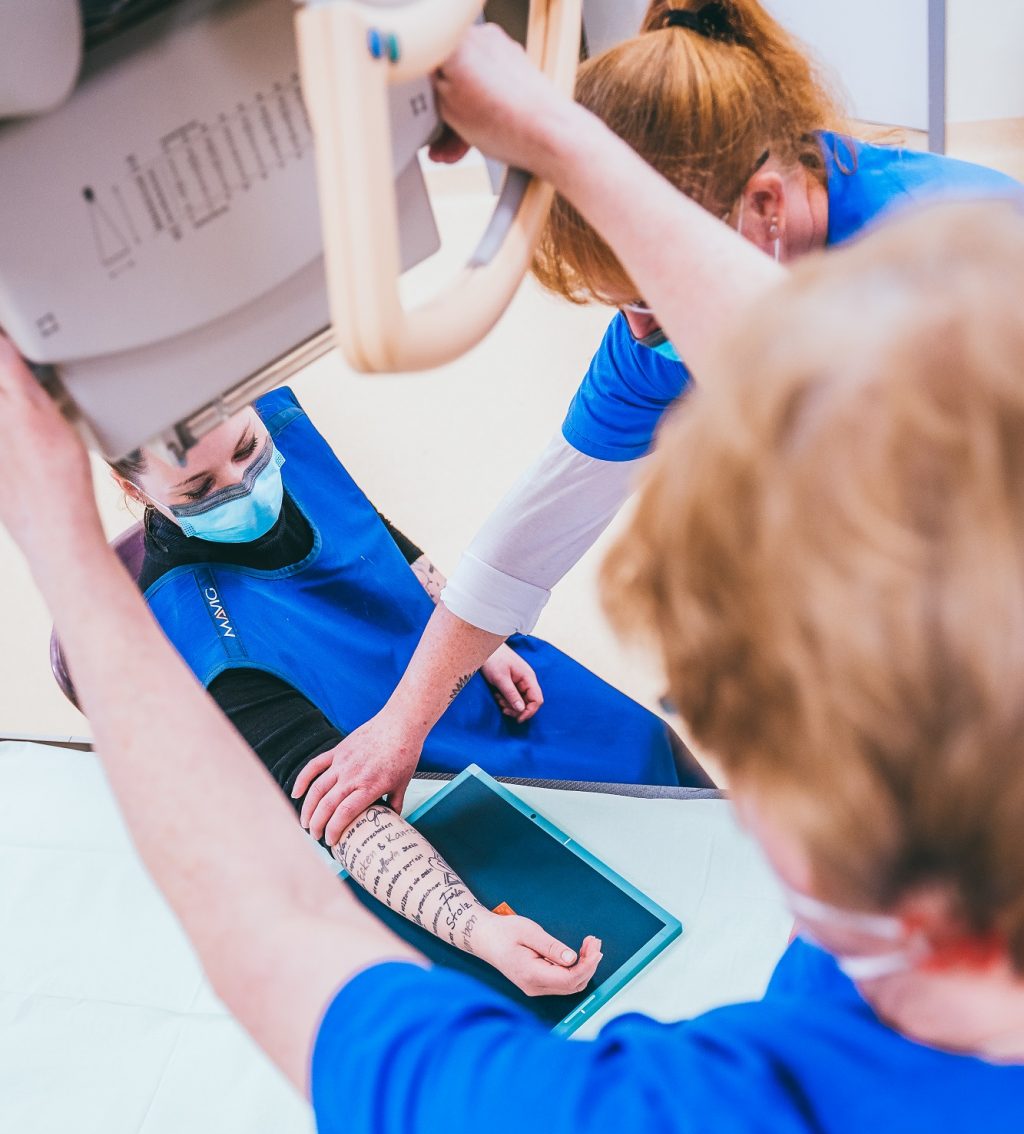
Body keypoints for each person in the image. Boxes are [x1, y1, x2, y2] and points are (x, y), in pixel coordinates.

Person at [5, 45, 1024, 1134]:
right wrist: (551, 127)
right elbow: (867, 431)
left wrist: (56, 545)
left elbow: (284, 938)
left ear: (775, 797)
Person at [305, 0, 1023, 836]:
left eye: (647, 296)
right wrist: (402, 724)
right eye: (623, 307)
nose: (640, 330)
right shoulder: (656, 339)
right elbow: (528, 537)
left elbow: (863, 437)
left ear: (766, 208)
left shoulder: (961, 243)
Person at [103, 386, 706, 869]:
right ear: (135, 489)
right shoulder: (197, 627)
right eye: (199, 489)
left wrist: (472, 630)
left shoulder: (275, 426)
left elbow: (362, 522)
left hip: (459, 661)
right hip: (405, 770)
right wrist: (480, 930)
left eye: (245, 451)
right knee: (615, 853)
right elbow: (340, 811)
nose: (242, 485)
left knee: (640, 744)